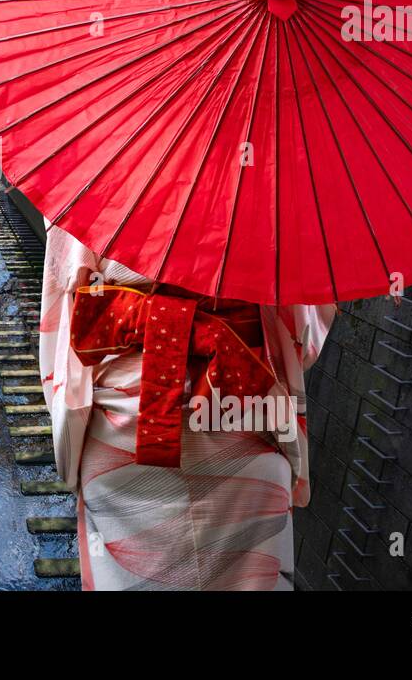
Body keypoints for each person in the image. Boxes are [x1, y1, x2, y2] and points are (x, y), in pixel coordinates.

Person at [37, 223, 336, 591]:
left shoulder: (93, 185)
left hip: (122, 428)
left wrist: (68, 432)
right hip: (238, 410)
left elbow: (63, 316)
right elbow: (301, 339)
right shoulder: (277, 202)